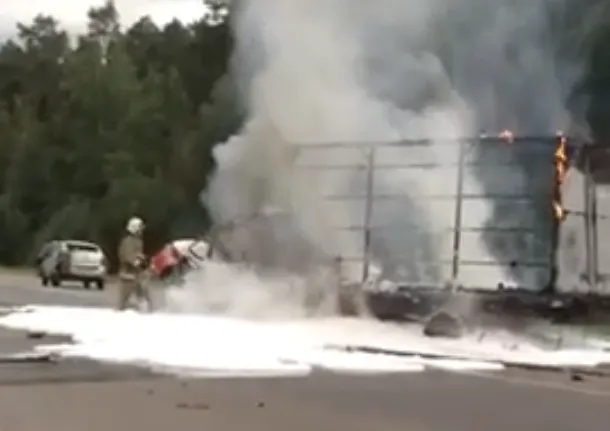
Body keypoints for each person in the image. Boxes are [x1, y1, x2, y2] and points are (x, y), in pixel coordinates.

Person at [117, 216, 152, 311]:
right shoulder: (128, 241)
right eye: (140, 228)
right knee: (124, 302)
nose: (141, 230)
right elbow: (128, 257)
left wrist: (143, 261)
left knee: (143, 298)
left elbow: (137, 255)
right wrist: (141, 264)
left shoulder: (138, 241)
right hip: (128, 276)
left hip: (137, 276)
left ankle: (145, 311)